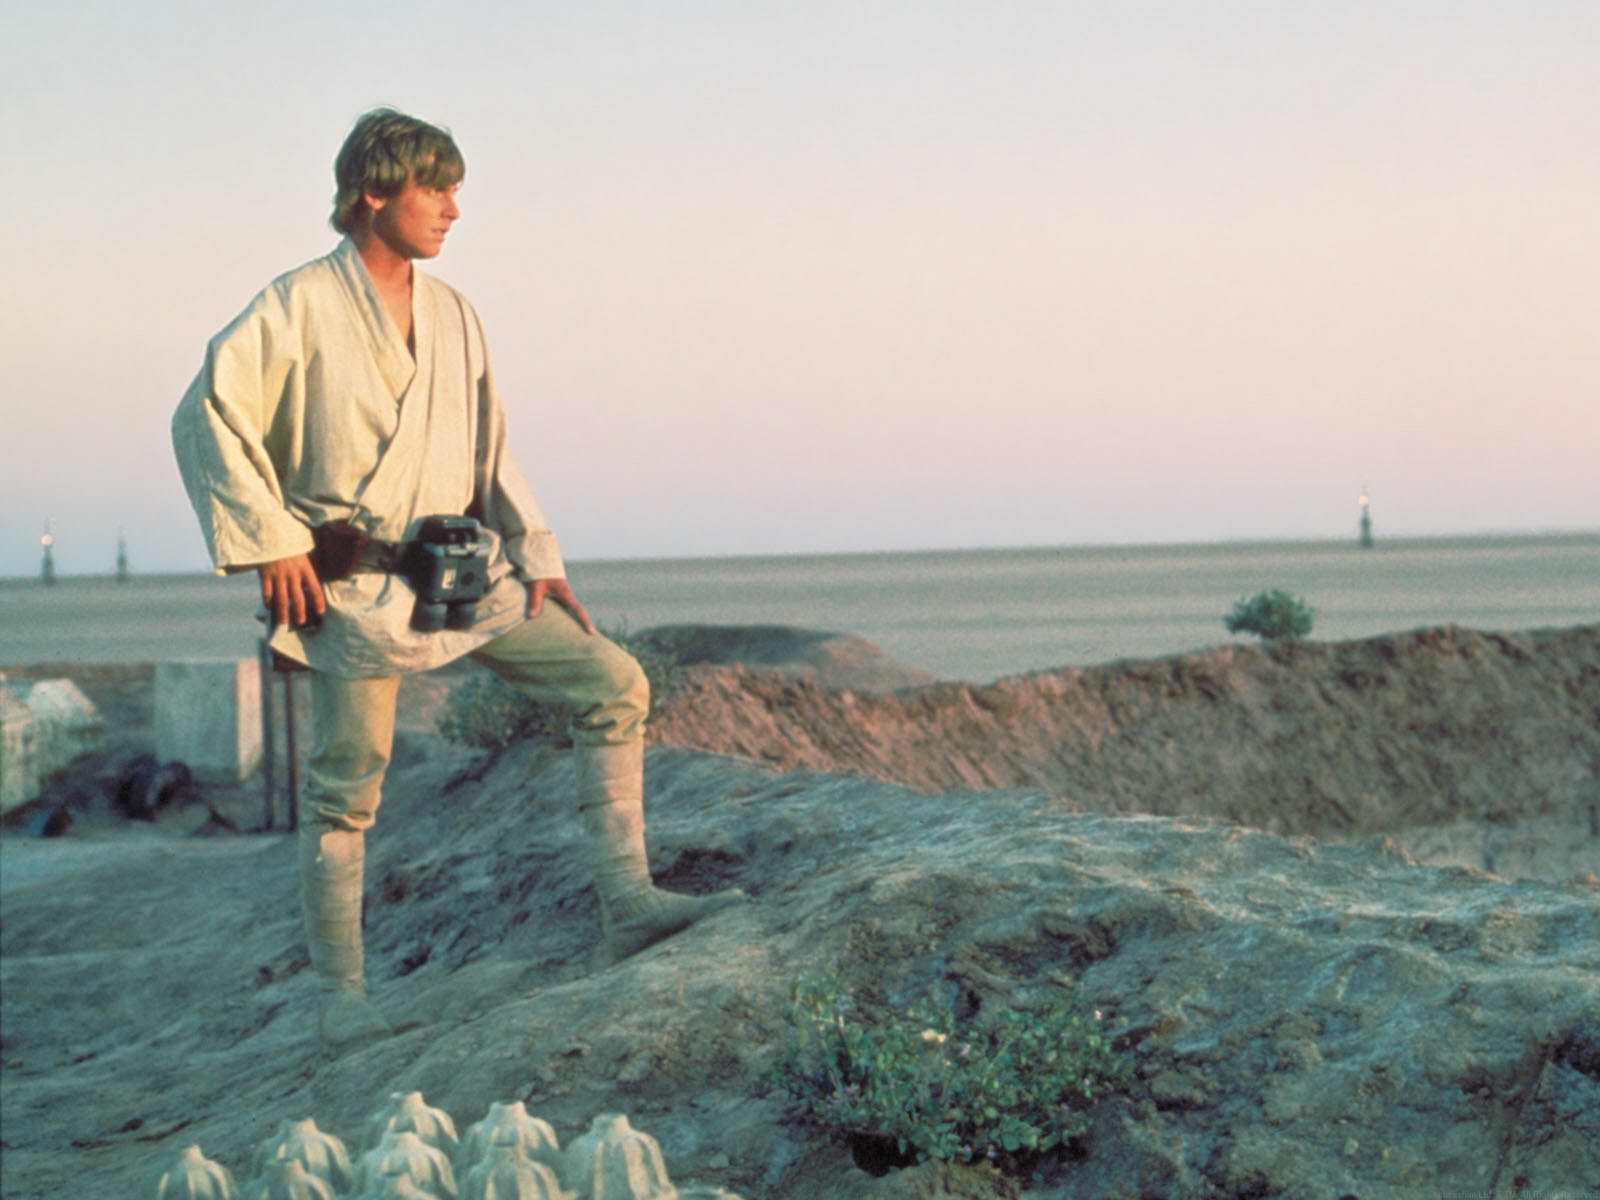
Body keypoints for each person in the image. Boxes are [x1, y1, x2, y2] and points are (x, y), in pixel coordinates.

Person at [172, 108, 744, 1051]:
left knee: (615, 684)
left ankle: (630, 905)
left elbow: (491, 446)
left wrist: (538, 557)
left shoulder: (455, 315)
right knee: (346, 787)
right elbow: (206, 416)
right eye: (435, 189)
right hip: (354, 592)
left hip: (463, 575)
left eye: (455, 190)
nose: (453, 209)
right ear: (373, 192)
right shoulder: (299, 304)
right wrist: (273, 543)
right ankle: (340, 997)